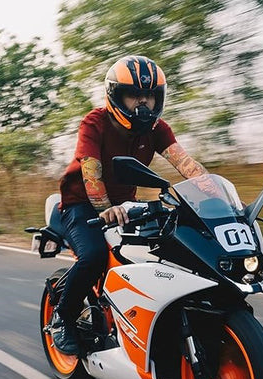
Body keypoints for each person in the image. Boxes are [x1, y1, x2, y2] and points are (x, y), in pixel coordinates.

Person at [52, 55, 208, 355]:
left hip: (126, 204)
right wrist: (104, 207)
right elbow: (91, 170)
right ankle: (63, 318)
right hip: (81, 205)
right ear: (115, 95)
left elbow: (185, 163)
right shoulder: (94, 122)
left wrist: (214, 192)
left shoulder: (158, 129)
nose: (143, 102)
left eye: (149, 95)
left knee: (164, 252)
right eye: (135, 94)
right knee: (94, 255)